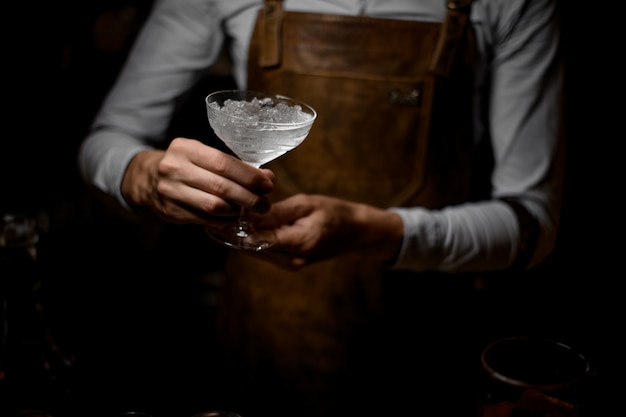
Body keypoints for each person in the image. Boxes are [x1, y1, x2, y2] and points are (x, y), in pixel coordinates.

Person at [77, 0, 565, 416]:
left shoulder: (514, 5)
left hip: (424, 349)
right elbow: (105, 141)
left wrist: (371, 231)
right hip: (263, 343)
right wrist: (145, 176)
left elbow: (531, 225)